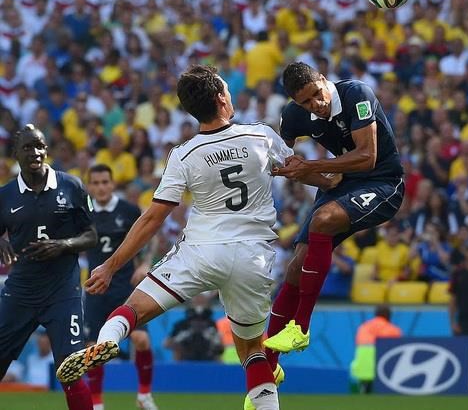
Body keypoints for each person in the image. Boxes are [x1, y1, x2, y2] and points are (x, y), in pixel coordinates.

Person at [55, 64, 328, 410]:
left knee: (131, 311)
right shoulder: (260, 136)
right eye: (227, 90)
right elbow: (302, 171)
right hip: (253, 258)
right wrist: (341, 181)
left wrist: (110, 266)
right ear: (221, 98)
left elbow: (154, 217)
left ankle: (108, 340)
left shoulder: (184, 154)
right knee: (253, 352)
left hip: (200, 253)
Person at [263, 62, 405, 363]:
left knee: (323, 219)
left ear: (324, 81)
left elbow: (368, 157)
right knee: (296, 266)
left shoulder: (356, 94)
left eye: (317, 94)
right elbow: (285, 162)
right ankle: (267, 364)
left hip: (383, 183)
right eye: (305, 101)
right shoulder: (292, 116)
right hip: (341, 184)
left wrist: (313, 167)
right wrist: (303, 173)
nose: (316, 104)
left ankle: (300, 327)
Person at [0, 124, 98, 410]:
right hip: (21, 291)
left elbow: (91, 235)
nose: (36, 152)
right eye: (28, 147)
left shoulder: (72, 186)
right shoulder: (5, 196)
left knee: (71, 369)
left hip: (62, 291)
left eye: (40, 146)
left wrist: (63, 245)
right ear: (15, 153)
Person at [85, 163, 158, 410]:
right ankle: (97, 404)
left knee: (141, 341)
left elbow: (148, 234)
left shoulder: (127, 210)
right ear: (89, 186)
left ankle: (144, 396)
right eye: (95, 183)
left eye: (105, 182)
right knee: (92, 350)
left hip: (125, 288)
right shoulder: (84, 213)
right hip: (95, 290)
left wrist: (145, 262)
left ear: (112, 183)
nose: (101, 187)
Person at [350, 304, 402, 394]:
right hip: (383, 364)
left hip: (362, 365)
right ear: (389, 316)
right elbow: (396, 350)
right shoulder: (393, 329)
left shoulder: (363, 327)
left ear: (376, 314)